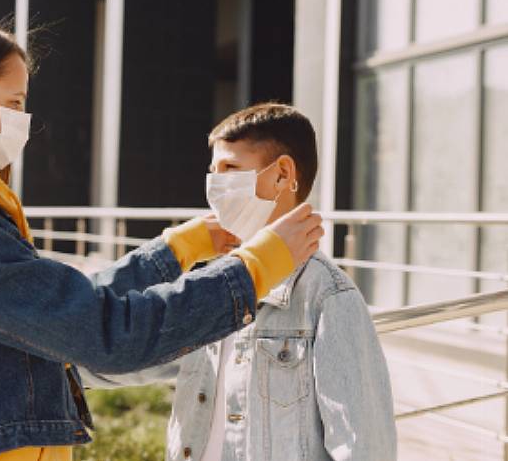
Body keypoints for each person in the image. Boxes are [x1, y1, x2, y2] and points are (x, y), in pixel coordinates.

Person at [0, 14, 323, 461]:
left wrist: (181, 248)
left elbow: (65, 307)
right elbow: (107, 333)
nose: (22, 122)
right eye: (13, 103)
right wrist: (255, 269)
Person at [83, 103, 396, 461]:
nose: (215, 185)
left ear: (282, 175)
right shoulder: (206, 287)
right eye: (212, 171)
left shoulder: (327, 297)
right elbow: (108, 357)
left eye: (229, 168)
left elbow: (364, 449)